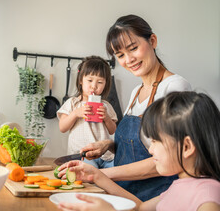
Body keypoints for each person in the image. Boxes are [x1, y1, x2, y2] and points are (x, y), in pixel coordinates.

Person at [58, 14, 192, 201]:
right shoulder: (137, 91)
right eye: (120, 55)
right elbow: (134, 144)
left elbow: (171, 158)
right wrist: (107, 144)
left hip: (154, 197)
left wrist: (103, 174)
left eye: (133, 48)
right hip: (124, 194)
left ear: (152, 41)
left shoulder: (175, 87)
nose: (128, 60)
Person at [57, 92, 220, 211]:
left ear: (186, 147)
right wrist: (96, 175)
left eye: (156, 141)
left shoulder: (208, 199)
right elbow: (140, 207)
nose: (150, 149)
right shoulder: (180, 185)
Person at [57, 56, 117, 168]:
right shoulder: (73, 103)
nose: (94, 86)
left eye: (100, 82)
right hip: (82, 155)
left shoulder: (106, 106)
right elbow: (62, 127)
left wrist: (106, 118)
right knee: (89, 174)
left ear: (106, 84)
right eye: (89, 80)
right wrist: (75, 114)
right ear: (81, 80)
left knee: (116, 174)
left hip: (106, 156)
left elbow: (113, 130)